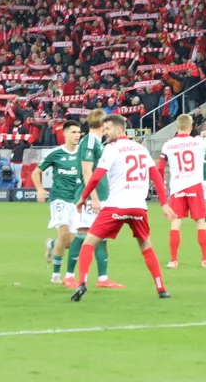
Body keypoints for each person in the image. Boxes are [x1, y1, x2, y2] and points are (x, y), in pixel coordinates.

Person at [70, 114, 175, 302]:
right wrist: (164, 203)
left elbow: (95, 177)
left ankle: (82, 283)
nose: (105, 133)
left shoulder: (111, 149)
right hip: (138, 207)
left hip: (116, 205)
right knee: (145, 245)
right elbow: (157, 177)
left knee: (89, 242)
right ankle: (161, 288)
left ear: (119, 130)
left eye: (108, 129)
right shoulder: (141, 149)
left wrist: (84, 197)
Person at [66, 110, 120, 290]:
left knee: (100, 236)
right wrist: (94, 198)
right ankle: (69, 276)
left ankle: (103, 278)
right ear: (102, 123)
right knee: (83, 234)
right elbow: (87, 172)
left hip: (102, 196)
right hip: (90, 197)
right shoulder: (89, 141)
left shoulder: (97, 142)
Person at [158, 115, 206, 268]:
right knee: (200, 223)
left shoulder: (168, 144)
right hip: (195, 186)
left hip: (177, 188)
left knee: (175, 224)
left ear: (177, 127)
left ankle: (174, 260)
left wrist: (162, 183)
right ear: (191, 127)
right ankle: (205, 259)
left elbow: (160, 167)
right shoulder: (197, 141)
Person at [31, 120, 82, 284]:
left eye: (79, 132)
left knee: (71, 243)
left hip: (77, 201)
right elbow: (36, 172)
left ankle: (52, 244)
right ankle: (55, 275)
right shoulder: (56, 153)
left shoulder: (83, 155)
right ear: (65, 134)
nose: (77, 135)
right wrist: (40, 189)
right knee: (63, 234)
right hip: (59, 199)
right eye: (73, 132)